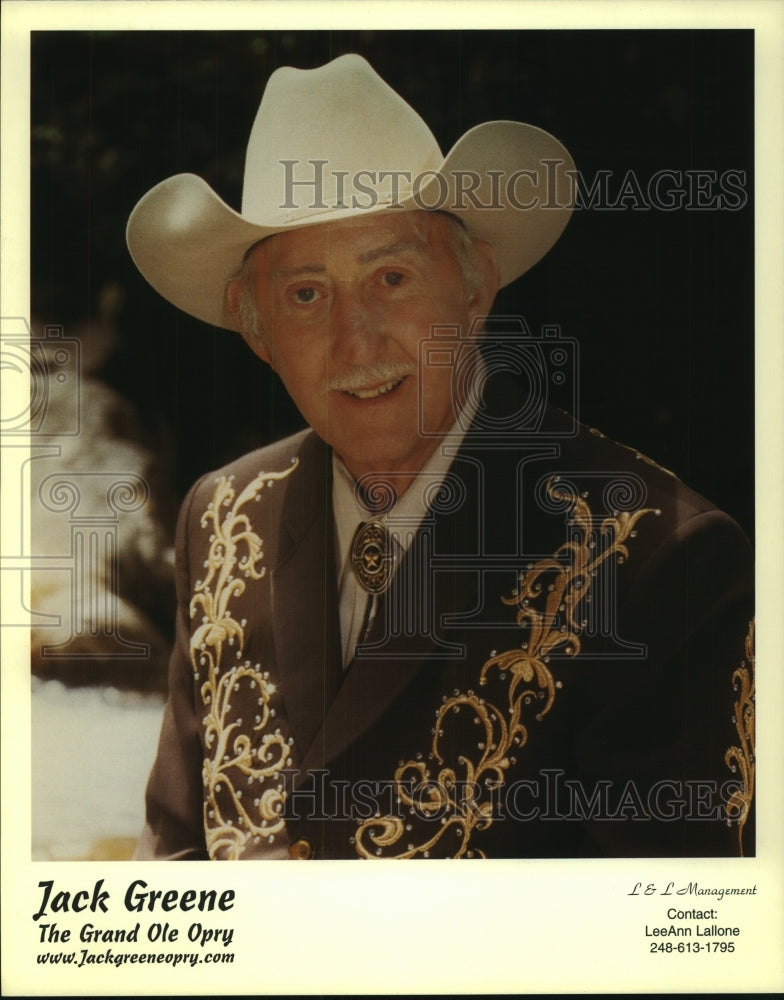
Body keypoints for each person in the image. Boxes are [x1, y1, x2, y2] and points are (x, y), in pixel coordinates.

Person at [127, 54, 754, 861]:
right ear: (257, 331)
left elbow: (669, 921)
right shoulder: (219, 517)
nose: (356, 341)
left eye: (391, 277)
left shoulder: (660, 557)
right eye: (306, 295)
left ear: (476, 286)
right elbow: (174, 859)